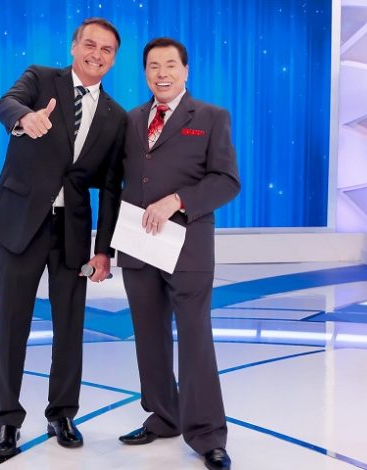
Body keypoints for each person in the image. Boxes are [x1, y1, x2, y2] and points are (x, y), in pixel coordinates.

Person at [0, 17, 126, 456]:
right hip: (21, 222)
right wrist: (25, 118)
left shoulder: (116, 116)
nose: (96, 54)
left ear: (113, 59)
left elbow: (111, 189)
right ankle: (7, 420)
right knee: (12, 324)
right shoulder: (40, 78)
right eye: (90, 44)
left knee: (70, 327)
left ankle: (62, 414)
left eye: (106, 49)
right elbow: (5, 103)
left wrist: (103, 250)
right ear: (74, 47)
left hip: (72, 231)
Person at [116, 37, 240, 470]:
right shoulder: (132, 119)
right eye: (153, 66)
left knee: (194, 337)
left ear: (186, 71)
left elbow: (227, 180)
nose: (162, 73)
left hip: (187, 246)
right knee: (148, 335)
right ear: (145, 73)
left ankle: (208, 435)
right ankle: (164, 416)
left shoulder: (210, 117)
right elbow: (119, 181)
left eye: (171, 65)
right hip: (138, 244)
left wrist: (179, 200)